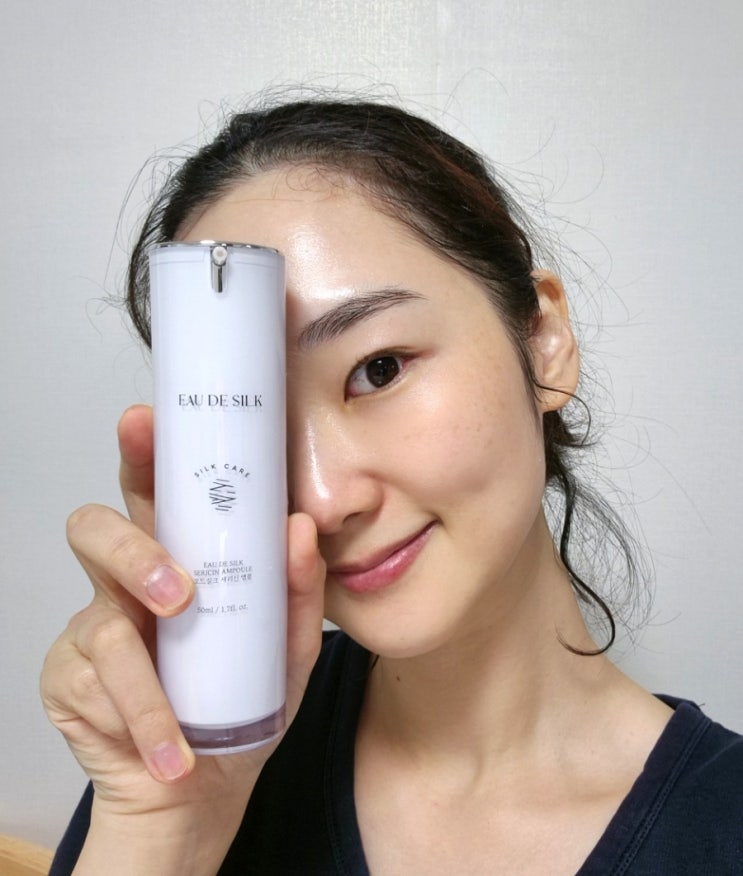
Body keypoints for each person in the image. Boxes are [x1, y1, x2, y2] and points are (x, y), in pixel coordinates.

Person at [42, 98, 743, 875]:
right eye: (255, 420)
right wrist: (163, 833)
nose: (321, 498)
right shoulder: (189, 762)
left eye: (378, 370)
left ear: (543, 341)